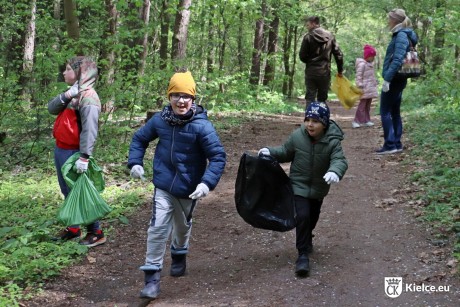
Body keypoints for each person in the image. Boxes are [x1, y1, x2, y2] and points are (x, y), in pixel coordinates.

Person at [127, 70, 226, 299]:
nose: (181, 101)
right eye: (176, 95)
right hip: (163, 185)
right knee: (158, 227)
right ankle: (151, 279)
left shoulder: (202, 126)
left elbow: (218, 157)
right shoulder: (160, 120)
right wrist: (135, 162)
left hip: (189, 190)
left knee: (181, 227)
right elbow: (140, 139)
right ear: (169, 97)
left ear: (193, 100)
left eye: (186, 96)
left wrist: (206, 183)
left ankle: (179, 253)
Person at [258, 102, 348, 277]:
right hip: (298, 185)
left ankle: (307, 238)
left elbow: (340, 160)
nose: (310, 124)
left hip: (319, 189)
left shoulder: (333, 141)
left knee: (312, 218)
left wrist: (334, 171)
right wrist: (270, 152)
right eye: (307, 119)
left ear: (324, 123)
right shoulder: (297, 136)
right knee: (303, 216)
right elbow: (285, 152)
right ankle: (303, 255)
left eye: (315, 120)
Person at [48, 56, 106, 247]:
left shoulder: (88, 97)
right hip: (62, 149)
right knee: (67, 190)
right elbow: (51, 108)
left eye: (68, 69)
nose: (64, 73)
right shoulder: (72, 94)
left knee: (80, 191)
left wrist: (84, 156)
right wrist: (66, 95)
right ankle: (73, 228)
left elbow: (90, 129)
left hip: (75, 152)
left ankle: (96, 232)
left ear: (81, 72)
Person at [377, 8, 418, 154]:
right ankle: (396, 143)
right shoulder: (403, 34)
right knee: (394, 111)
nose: (388, 21)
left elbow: (397, 59)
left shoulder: (401, 35)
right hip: (399, 78)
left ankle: (390, 145)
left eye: (389, 18)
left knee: (385, 111)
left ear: (395, 20)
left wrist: (387, 79)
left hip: (394, 78)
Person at [299, 16, 344, 108]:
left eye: (308, 25)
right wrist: (340, 70)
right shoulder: (330, 36)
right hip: (324, 72)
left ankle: (309, 120)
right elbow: (339, 54)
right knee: (322, 98)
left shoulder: (308, 37)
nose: (307, 27)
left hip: (311, 72)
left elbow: (302, 56)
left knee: (310, 97)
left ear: (313, 23)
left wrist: (310, 62)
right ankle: (321, 120)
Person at [352, 44, 379, 128]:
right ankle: (356, 121)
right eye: (372, 56)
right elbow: (358, 76)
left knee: (368, 105)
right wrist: (359, 85)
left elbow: (371, 76)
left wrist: (375, 81)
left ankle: (367, 120)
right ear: (367, 56)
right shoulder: (362, 64)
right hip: (364, 89)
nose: (373, 58)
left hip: (370, 89)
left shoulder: (370, 65)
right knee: (362, 106)